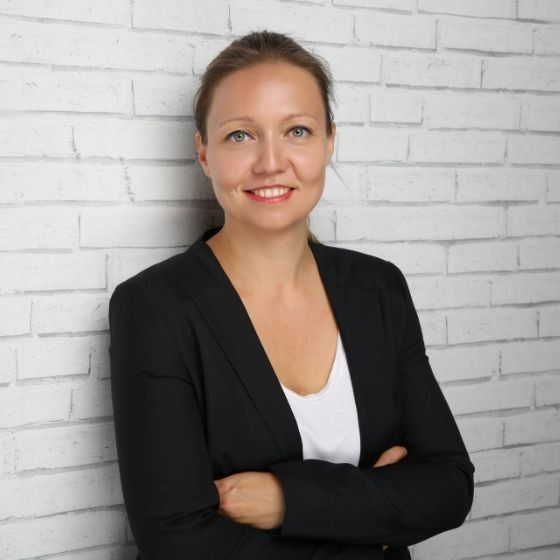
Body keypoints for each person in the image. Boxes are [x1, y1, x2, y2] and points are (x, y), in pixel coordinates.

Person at [109, 30, 475, 560]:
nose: (270, 163)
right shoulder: (155, 308)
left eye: (297, 131)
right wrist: (376, 515)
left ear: (329, 141)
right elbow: (178, 541)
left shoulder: (378, 289)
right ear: (204, 152)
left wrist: (287, 500)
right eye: (240, 135)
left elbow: (449, 485)